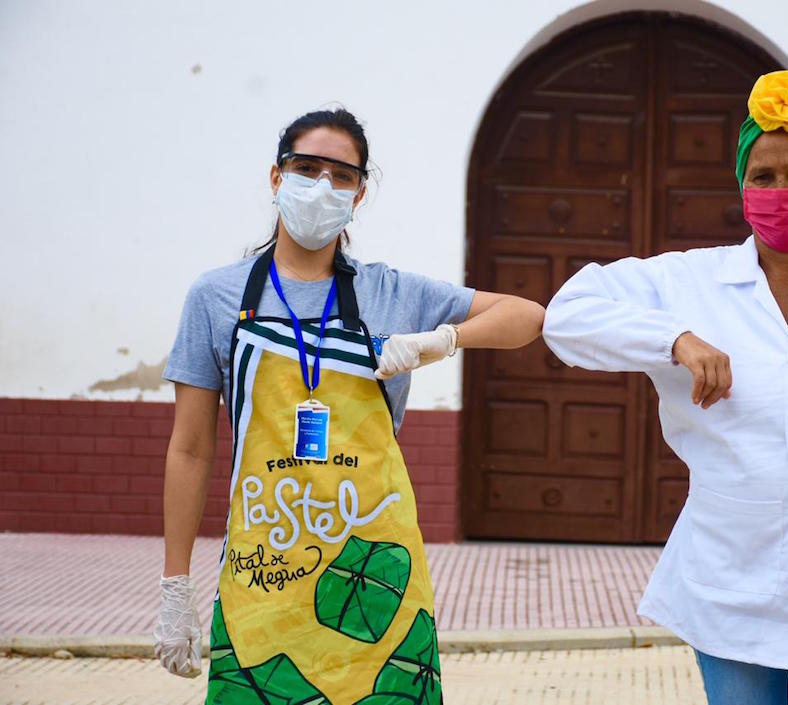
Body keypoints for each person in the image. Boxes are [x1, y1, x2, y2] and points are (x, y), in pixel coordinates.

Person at [542, 70, 788, 705]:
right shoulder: (690, 283)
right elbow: (566, 315)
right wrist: (674, 337)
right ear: (741, 187)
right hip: (733, 576)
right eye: (763, 176)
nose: (781, 189)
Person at [153, 108, 544, 704]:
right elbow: (189, 448)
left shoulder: (393, 292)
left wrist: (440, 340)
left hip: (377, 581)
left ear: (360, 193)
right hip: (264, 573)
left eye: (341, 175)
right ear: (276, 178)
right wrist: (175, 587)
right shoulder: (217, 296)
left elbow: (527, 317)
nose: (322, 187)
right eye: (306, 168)